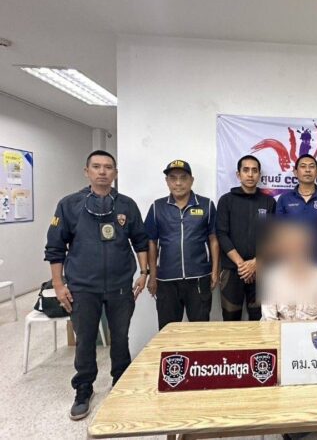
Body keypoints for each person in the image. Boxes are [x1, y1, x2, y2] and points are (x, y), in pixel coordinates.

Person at [45, 150, 149, 421]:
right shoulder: (69, 205)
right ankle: (83, 388)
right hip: (82, 287)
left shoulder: (126, 205)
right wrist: (58, 284)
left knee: (120, 337)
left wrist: (144, 272)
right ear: (87, 171)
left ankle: (120, 382)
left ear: (115, 173)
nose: (103, 172)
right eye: (97, 167)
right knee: (85, 340)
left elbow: (140, 241)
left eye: (108, 167)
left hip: (120, 285)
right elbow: (55, 248)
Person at [145, 160, 219, 329]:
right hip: (166, 279)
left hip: (199, 277)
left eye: (183, 178)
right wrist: (152, 276)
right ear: (167, 181)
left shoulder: (206, 205)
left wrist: (214, 271)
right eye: (173, 178)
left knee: (200, 329)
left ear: (191, 180)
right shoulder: (157, 207)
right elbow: (152, 242)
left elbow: (214, 239)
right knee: (168, 330)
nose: (178, 183)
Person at [216, 155, 276, 321]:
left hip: (261, 270)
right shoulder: (226, 200)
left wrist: (256, 263)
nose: (250, 174)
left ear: (259, 175)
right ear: (238, 174)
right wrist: (242, 265)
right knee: (231, 319)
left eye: (254, 171)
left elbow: (273, 236)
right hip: (232, 270)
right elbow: (221, 234)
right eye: (246, 170)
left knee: (260, 319)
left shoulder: (269, 202)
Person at [275, 154, 317, 271]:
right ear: (295, 172)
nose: (308, 170)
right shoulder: (284, 199)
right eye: (303, 166)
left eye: (312, 166)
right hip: (289, 265)